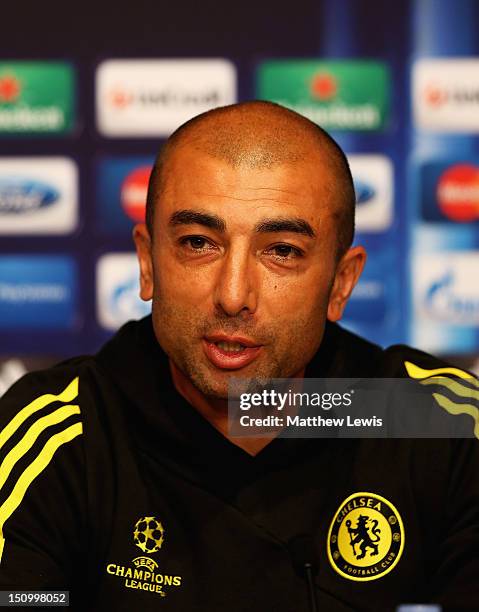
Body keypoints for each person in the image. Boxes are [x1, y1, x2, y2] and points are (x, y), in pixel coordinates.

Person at [0, 101, 478, 611]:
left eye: (283, 251)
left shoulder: (438, 426)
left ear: (341, 282)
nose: (232, 295)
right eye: (199, 242)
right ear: (147, 262)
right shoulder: (60, 436)